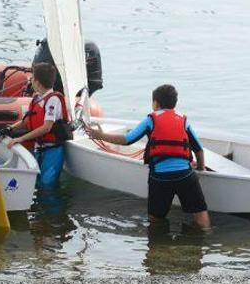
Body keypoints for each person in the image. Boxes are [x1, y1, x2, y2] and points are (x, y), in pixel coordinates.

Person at [87, 84, 211, 229]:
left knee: (156, 219)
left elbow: (127, 139)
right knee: (200, 215)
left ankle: (158, 245)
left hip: (160, 177)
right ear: (174, 103)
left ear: (156, 103)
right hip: (185, 175)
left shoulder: (150, 120)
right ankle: (203, 239)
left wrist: (100, 135)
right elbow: (199, 150)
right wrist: (201, 169)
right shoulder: (184, 120)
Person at [0, 63, 70, 188]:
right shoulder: (37, 98)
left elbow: (46, 127)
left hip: (52, 150)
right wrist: (9, 128)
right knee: (36, 183)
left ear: (37, 83)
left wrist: (21, 139)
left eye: (32, 78)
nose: (30, 81)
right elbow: (26, 121)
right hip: (39, 148)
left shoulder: (53, 100)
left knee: (47, 185)